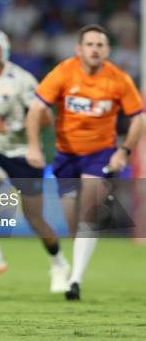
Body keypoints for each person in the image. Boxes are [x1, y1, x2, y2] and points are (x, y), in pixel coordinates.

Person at [26, 24, 144, 301]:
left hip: (100, 155)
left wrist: (124, 151)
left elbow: (139, 118)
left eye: (100, 45)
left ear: (107, 50)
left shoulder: (118, 79)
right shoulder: (64, 72)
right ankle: (72, 267)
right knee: (72, 222)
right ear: (79, 49)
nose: (95, 49)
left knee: (89, 214)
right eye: (89, 44)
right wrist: (33, 145)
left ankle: (75, 281)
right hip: (66, 156)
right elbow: (36, 109)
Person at [0, 28, 69, 291]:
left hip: (23, 153)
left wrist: (10, 127)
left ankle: (59, 263)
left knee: (34, 218)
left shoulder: (22, 80)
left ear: (4, 51)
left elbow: (44, 118)